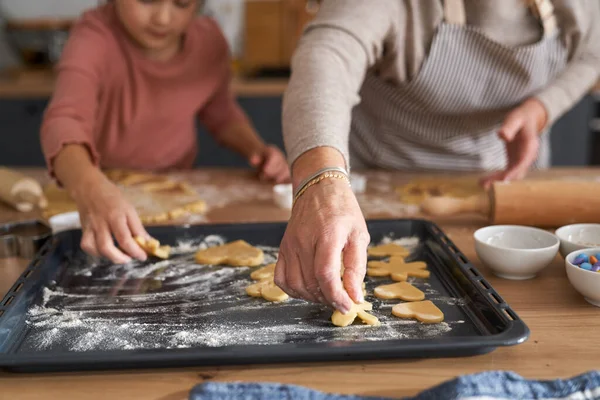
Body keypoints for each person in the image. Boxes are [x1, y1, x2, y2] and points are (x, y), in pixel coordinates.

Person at [275, 0, 600, 314]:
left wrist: (543, 108)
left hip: (508, 183)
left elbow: (593, 53)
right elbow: (328, 55)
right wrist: (321, 179)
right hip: (379, 188)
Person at [40, 0, 290, 264]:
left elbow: (221, 112)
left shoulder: (209, 41)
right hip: (97, 184)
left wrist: (257, 150)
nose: (162, 18)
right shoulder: (94, 36)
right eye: (147, 0)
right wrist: (90, 187)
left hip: (176, 193)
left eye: (182, 4)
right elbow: (64, 120)